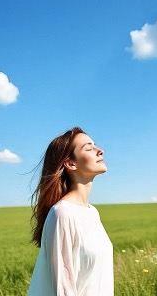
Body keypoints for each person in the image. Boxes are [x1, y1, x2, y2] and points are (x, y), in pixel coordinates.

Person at [27, 126, 113, 296]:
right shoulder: (62, 214)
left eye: (95, 145)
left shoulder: (92, 212)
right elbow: (63, 289)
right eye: (89, 148)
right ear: (70, 163)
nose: (100, 150)